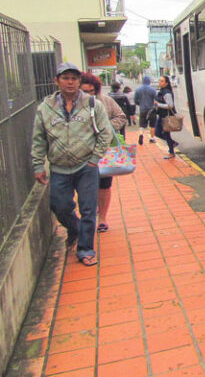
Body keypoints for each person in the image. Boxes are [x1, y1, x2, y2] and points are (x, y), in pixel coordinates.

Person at [31, 62, 112, 266]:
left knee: (88, 209)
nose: (70, 82)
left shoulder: (93, 104)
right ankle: (74, 229)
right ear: (56, 81)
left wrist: (95, 159)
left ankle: (85, 249)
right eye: (65, 78)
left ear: (79, 81)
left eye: (74, 78)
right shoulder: (45, 108)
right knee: (59, 206)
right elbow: (39, 139)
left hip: (86, 166)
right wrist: (38, 165)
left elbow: (105, 133)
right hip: (58, 167)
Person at [80, 73, 127, 234]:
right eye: (84, 91)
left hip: (104, 151)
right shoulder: (72, 105)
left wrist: (105, 127)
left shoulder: (106, 101)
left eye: (91, 91)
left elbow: (121, 117)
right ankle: (92, 211)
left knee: (104, 184)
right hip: (82, 153)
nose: (87, 94)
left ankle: (103, 219)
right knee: (85, 186)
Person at [154, 75, 178, 159]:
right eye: (159, 81)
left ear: (166, 83)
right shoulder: (161, 91)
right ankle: (172, 143)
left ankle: (171, 151)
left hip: (166, 116)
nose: (160, 82)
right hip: (161, 115)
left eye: (162, 81)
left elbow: (170, 105)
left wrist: (158, 104)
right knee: (158, 133)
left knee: (165, 133)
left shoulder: (166, 92)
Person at [135, 75, 157, 146]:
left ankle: (141, 135)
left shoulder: (138, 90)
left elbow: (135, 100)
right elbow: (156, 99)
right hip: (152, 110)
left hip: (142, 110)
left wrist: (140, 104)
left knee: (142, 124)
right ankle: (152, 138)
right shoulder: (153, 90)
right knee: (152, 125)